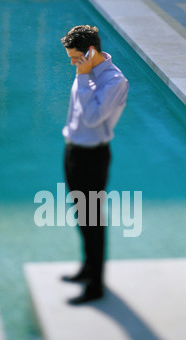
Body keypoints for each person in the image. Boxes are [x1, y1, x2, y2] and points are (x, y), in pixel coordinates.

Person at [61, 25, 129, 305]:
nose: (73, 64)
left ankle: (96, 285)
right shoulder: (84, 73)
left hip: (92, 157)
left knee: (93, 221)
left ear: (90, 52)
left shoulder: (114, 82)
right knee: (82, 217)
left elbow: (91, 118)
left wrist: (82, 75)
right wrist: (82, 73)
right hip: (74, 152)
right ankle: (87, 268)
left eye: (75, 58)